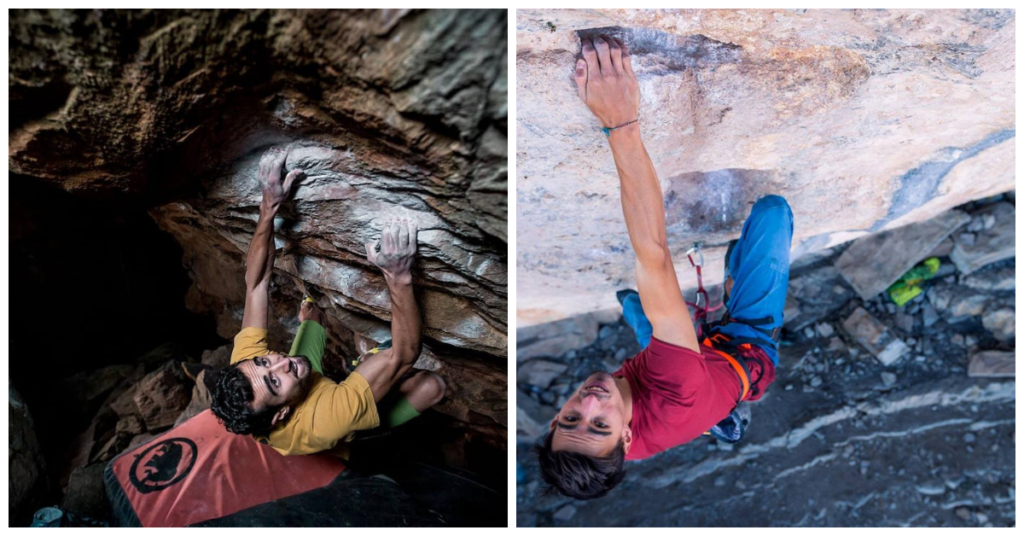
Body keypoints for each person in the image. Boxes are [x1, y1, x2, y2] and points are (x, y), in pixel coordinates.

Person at [535, 35, 793, 500]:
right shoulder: (675, 392)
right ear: (627, 438)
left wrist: (604, 421)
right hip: (744, 349)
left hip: (685, 381)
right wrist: (619, 121)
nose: (589, 400)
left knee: (634, 305)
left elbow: (604, 423)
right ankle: (727, 400)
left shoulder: (607, 454)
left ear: (556, 420)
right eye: (598, 424)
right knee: (773, 213)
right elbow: (652, 257)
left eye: (571, 417)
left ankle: (720, 416)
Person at [208, 147, 446, 457]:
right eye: (275, 381)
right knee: (432, 387)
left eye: (264, 361)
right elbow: (405, 354)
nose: (282, 361)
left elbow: (256, 285)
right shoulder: (327, 419)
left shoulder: (247, 373)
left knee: (312, 312)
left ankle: (356, 368)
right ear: (281, 413)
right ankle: (367, 426)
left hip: (310, 392)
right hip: (341, 425)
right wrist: (398, 275)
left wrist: (268, 205)